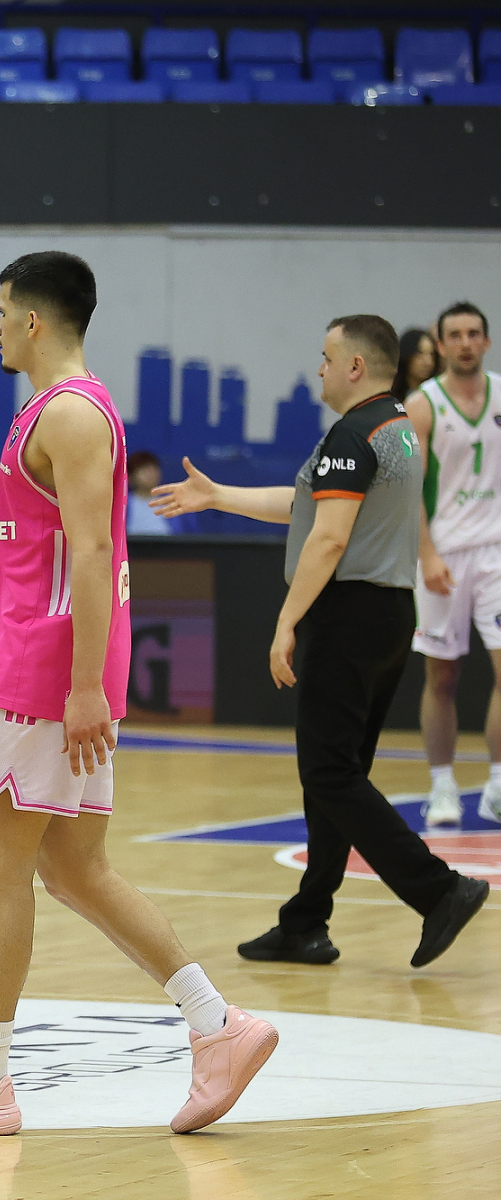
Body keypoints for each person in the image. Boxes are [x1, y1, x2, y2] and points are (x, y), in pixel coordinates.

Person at [0, 252, 276, 1137]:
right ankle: (218, 1025)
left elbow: (95, 553)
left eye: (0, 310)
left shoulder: (69, 412)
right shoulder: (59, 410)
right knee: (72, 868)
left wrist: (86, 684)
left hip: (44, 672)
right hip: (53, 669)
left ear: (33, 321)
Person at [154, 314, 490, 970]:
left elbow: (329, 538)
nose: (320, 369)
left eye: (327, 357)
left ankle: (439, 890)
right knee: (338, 775)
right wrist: (218, 496)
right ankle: (306, 922)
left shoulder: (352, 433)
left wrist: (286, 622)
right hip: (389, 614)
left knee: (328, 772)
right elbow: (310, 506)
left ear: (355, 367)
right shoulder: (395, 426)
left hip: (348, 616)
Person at [405, 303, 501, 827]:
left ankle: (497, 786)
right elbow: (410, 489)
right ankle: (443, 786)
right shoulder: (422, 405)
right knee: (442, 675)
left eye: (474, 333)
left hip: (497, 553)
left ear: (486, 341)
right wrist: (426, 553)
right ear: (440, 345)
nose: (465, 342)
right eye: (455, 335)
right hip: (443, 553)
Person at [126, 449, 176, 535]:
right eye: (144, 470)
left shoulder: (173, 501)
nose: (150, 474)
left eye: (153, 469)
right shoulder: (122, 504)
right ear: (131, 476)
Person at [395, 326, 441, 403]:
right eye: (420, 353)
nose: (428, 362)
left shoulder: (438, 395)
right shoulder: (390, 395)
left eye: (431, 354)